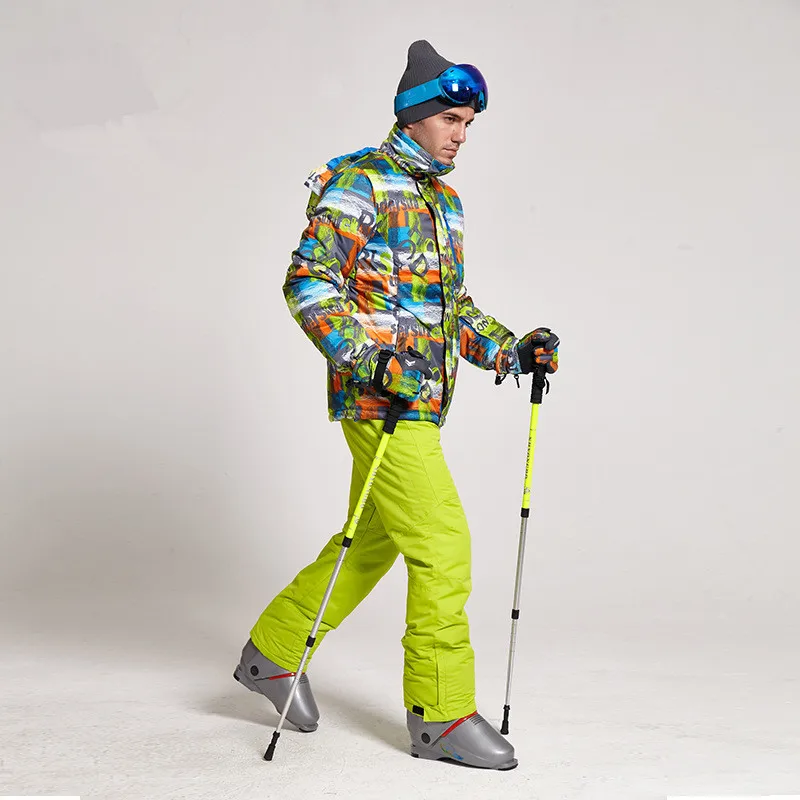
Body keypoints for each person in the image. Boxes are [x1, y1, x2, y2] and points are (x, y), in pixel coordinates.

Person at [233, 40, 559, 770]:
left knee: (373, 540)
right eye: (450, 119)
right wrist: (371, 358)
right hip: (381, 403)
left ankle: (274, 653)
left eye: (468, 124)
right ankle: (440, 715)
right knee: (443, 545)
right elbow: (307, 282)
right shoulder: (361, 183)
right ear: (413, 115)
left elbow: (453, 309)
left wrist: (513, 351)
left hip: (424, 400)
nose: (461, 135)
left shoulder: (444, 202)